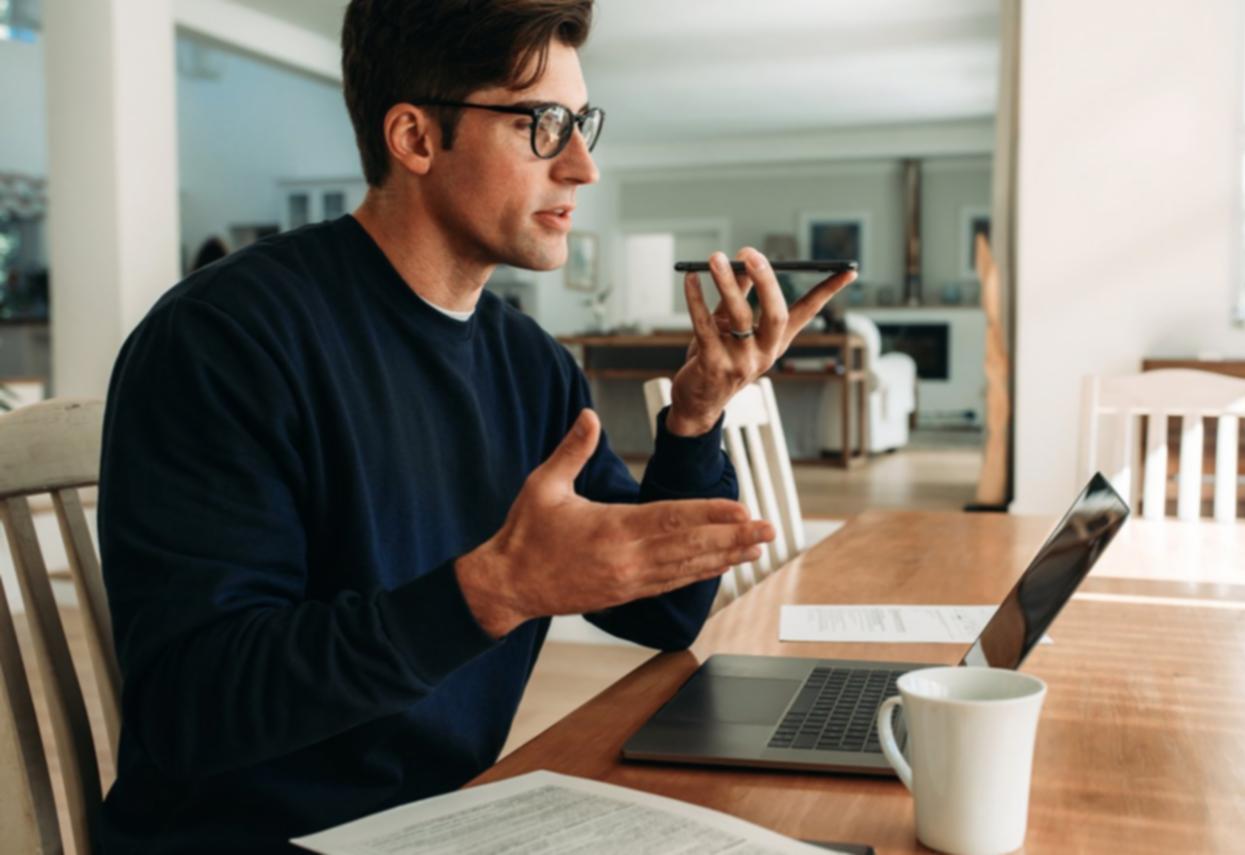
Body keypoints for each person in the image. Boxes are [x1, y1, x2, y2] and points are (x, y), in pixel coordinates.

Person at [97, 1, 854, 851]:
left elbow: (662, 614)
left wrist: (696, 413)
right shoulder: (225, 340)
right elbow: (191, 706)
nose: (583, 167)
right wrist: (494, 590)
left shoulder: (530, 363)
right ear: (415, 138)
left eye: (581, 123)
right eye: (541, 125)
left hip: (454, 818)